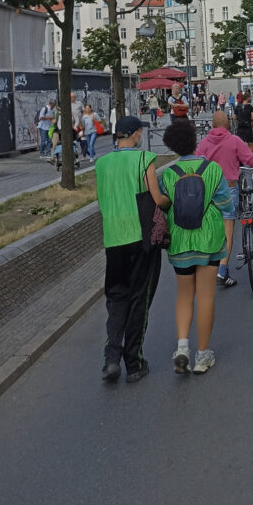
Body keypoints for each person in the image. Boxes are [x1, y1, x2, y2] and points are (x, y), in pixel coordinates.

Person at [159, 117, 235, 374]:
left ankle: (182, 347)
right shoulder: (212, 170)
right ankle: (203, 355)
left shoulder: (168, 174)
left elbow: (165, 203)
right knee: (206, 297)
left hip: (180, 241)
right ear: (195, 142)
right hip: (209, 241)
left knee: (184, 295)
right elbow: (226, 206)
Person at [95, 115, 164, 384]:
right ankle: (133, 363)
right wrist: (169, 204)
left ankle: (110, 359)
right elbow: (156, 198)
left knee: (116, 298)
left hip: (113, 239)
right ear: (135, 134)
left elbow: (102, 199)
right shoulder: (143, 159)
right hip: (140, 237)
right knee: (139, 299)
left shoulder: (101, 164)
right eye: (139, 133)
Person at [195, 110, 253, 287]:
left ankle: (208, 267)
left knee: (210, 229)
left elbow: (197, 163)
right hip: (229, 188)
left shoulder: (204, 143)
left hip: (209, 191)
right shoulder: (234, 141)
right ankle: (222, 271)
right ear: (227, 124)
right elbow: (251, 162)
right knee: (227, 232)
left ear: (213, 126)